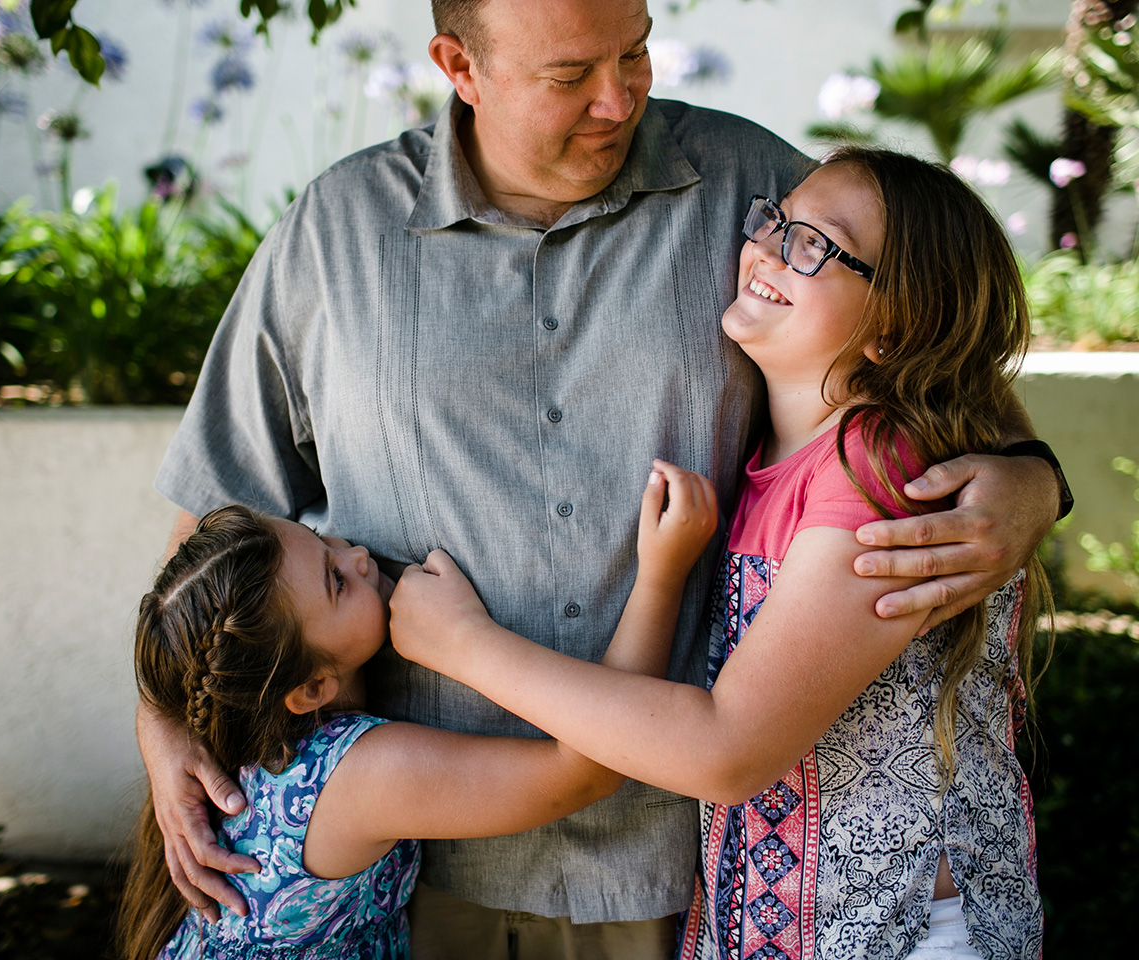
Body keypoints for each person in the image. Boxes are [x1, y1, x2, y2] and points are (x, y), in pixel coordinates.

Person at [141, 1, 1063, 955]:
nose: (619, 99)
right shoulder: (333, 234)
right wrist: (165, 721)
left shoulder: (759, 190)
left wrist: (1032, 483)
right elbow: (216, 518)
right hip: (425, 869)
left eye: (635, 51)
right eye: (569, 74)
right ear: (461, 65)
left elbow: (934, 346)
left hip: (685, 874)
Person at [389, 147, 1050, 959]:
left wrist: (464, 645)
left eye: (816, 245)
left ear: (896, 329)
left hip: (904, 935)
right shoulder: (783, 457)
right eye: (775, 221)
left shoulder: (879, 470)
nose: (766, 249)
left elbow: (727, 749)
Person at [119, 470, 716, 960]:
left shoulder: (242, 732)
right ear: (312, 687)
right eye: (335, 582)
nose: (356, 555)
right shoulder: (359, 777)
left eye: (322, 539)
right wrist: (662, 575)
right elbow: (590, 769)